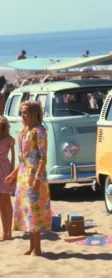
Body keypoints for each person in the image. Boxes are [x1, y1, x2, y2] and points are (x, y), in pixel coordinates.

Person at [5, 101, 51, 256]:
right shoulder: (24, 131)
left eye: (25, 113)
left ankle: (37, 248)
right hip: (24, 176)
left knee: (35, 211)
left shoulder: (40, 131)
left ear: (34, 114)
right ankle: (32, 246)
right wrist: (14, 174)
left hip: (35, 176)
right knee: (27, 211)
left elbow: (43, 158)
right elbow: (23, 159)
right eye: (21, 113)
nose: (22, 116)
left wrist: (37, 178)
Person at [0, 116, 15, 241]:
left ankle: (8, 232)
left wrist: (13, 172)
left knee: (6, 200)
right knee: (1, 202)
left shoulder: (9, 139)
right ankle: (5, 232)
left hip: (5, 168)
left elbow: (14, 156)